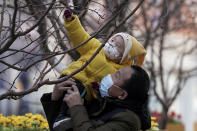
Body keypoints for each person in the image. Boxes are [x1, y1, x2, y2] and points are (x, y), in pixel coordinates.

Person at [40, 65, 151, 131]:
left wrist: (77, 107)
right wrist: (55, 99)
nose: (109, 75)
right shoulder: (101, 102)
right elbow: (61, 127)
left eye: (116, 75)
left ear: (122, 95)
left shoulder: (128, 121)